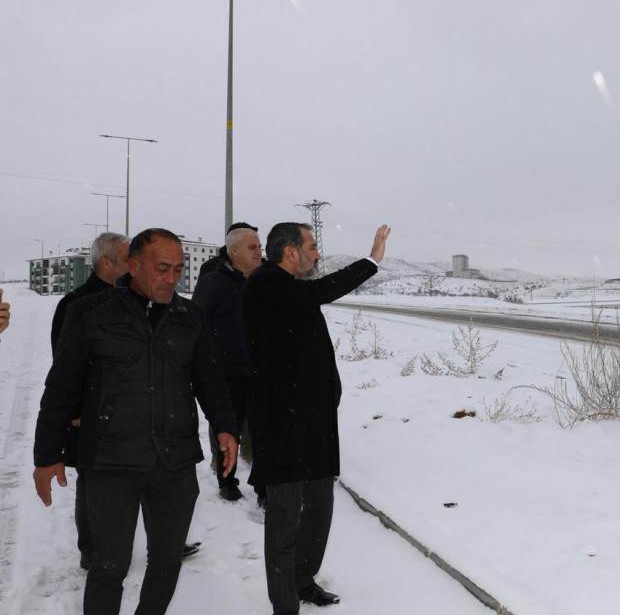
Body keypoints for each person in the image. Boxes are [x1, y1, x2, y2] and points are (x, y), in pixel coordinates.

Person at [33, 228, 239, 615]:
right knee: (109, 566)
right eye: (162, 268)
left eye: (178, 269)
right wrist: (47, 455)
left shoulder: (188, 316)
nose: (171, 278)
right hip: (110, 464)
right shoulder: (91, 313)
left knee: (166, 563)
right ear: (133, 266)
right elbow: (61, 386)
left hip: (173, 462)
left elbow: (210, 379)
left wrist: (224, 427)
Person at [244, 222, 389, 613]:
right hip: (281, 426)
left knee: (320, 504)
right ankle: (284, 604)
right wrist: (370, 261)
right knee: (285, 516)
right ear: (290, 253)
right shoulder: (267, 284)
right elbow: (319, 291)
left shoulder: (290, 289)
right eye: (312, 246)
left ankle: (303, 578)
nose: (317, 254)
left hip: (313, 422)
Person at [48, 232, 130, 571]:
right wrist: (77, 411)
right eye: (128, 259)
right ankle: (91, 549)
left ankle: (161, 539)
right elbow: (65, 365)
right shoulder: (75, 303)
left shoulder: (132, 297)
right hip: (92, 411)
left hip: (131, 408)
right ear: (107, 262)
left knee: (140, 478)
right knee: (93, 482)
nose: (135, 265)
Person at [192, 225, 264, 502]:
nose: (259, 252)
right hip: (227, 372)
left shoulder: (266, 280)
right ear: (233, 251)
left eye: (259, 247)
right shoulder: (213, 282)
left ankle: (263, 486)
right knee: (226, 429)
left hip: (261, 372)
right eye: (252, 247)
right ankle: (227, 481)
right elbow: (198, 325)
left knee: (262, 432)